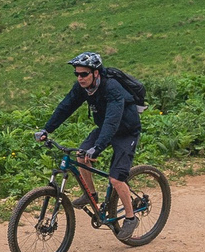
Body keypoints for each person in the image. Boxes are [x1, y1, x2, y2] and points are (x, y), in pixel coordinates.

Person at [36, 51, 141, 230]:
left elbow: (112, 121)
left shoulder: (112, 88)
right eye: (76, 74)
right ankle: (91, 194)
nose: (79, 78)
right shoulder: (82, 88)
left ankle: (131, 219)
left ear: (96, 73)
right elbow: (65, 107)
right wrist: (47, 129)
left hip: (126, 132)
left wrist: (98, 147)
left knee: (116, 179)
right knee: (80, 156)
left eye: (84, 74)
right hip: (105, 129)